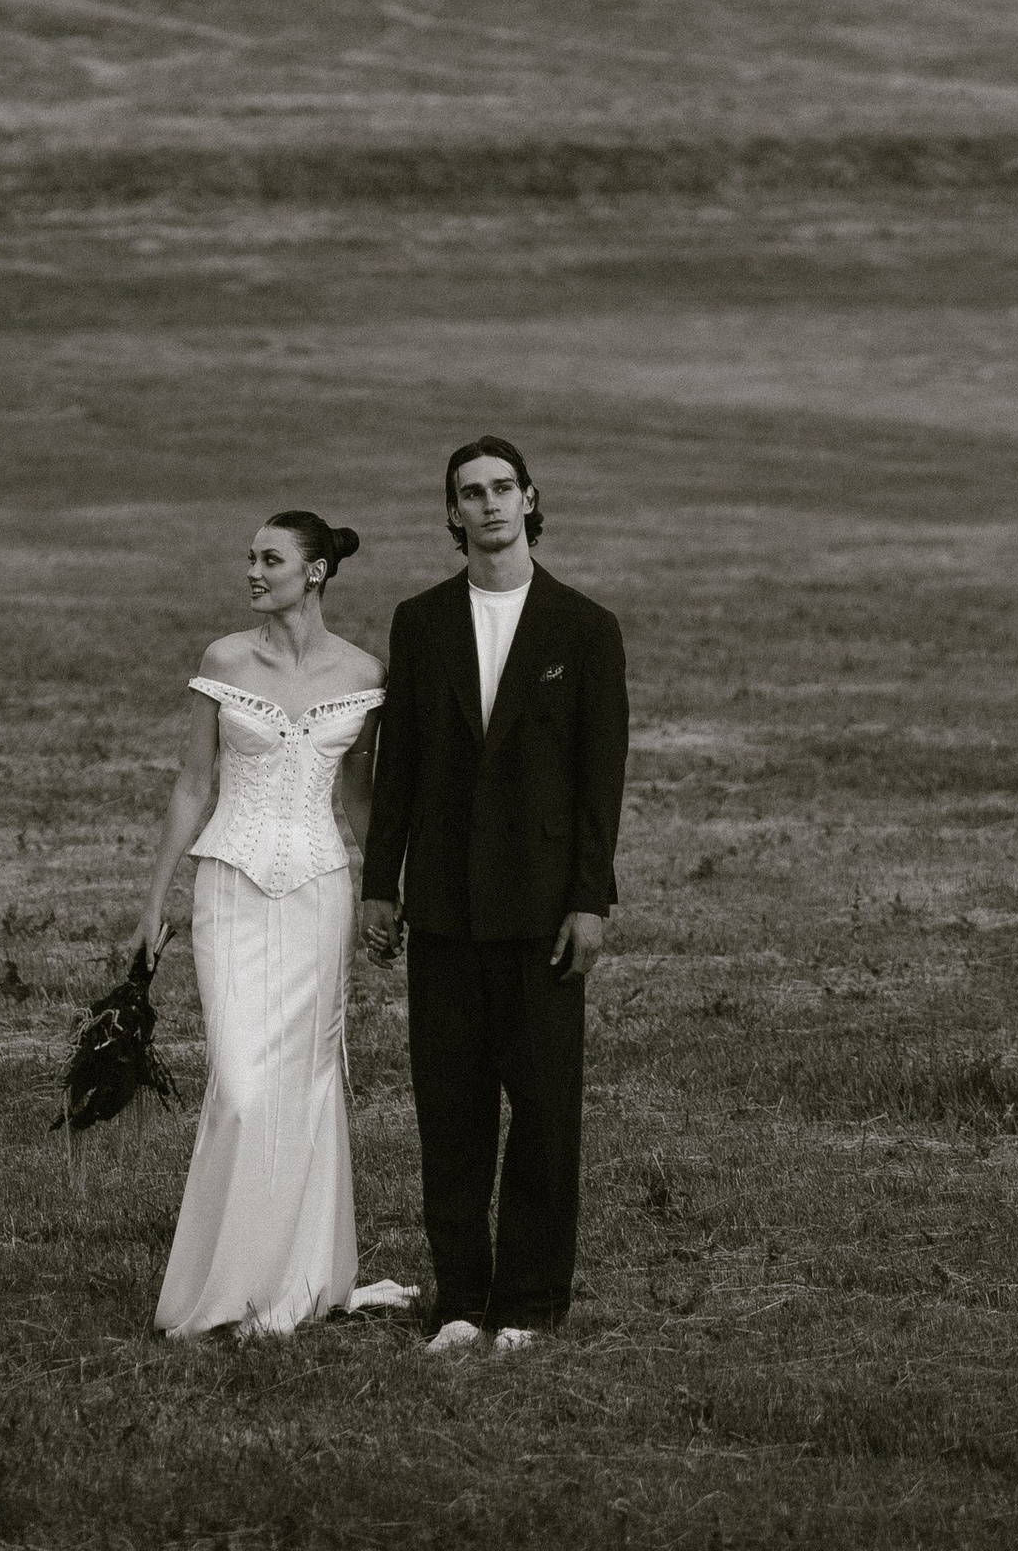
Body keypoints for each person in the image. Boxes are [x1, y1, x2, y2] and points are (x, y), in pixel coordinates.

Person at [360, 435, 629, 1353]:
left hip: (546, 913)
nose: (488, 505)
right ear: (451, 513)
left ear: (531, 500)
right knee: (452, 1111)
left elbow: (603, 778)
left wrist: (591, 901)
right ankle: (461, 1303)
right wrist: (379, 887)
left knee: (548, 1113)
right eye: (469, 493)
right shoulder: (420, 622)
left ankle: (530, 1305)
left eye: (503, 489)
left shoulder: (585, 628)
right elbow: (397, 770)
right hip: (442, 908)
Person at [133, 509, 393, 1337]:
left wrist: (392, 887)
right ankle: (221, 1285)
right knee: (242, 1087)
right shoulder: (224, 659)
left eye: (269, 559)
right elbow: (191, 786)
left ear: (313, 573)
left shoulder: (362, 669)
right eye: (249, 556)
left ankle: (299, 1281)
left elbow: (358, 795)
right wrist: (152, 903)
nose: (251, 571)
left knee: (308, 1086)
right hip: (231, 888)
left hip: (320, 890)